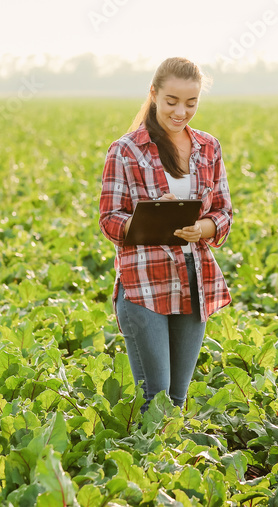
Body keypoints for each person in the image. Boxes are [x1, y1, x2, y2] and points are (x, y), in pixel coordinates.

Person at [99, 56, 233, 412]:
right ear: (154, 94)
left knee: (177, 399)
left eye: (191, 103)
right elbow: (110, 220)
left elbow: (223, 213)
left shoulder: (209, 147)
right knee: (154, 400)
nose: (181, 111)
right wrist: (154, 214)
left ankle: (167, 465)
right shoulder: (126, 150)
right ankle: (146, 464)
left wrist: (199, 228)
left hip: (194, 278)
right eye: (172, 101)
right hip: (143, 281)